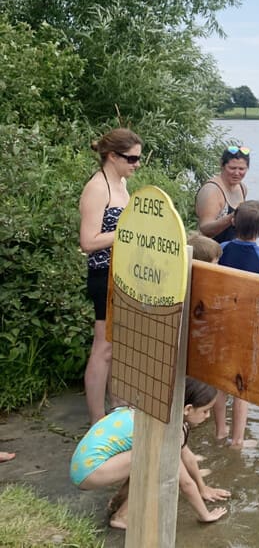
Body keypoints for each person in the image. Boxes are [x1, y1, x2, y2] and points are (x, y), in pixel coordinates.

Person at [69, 377, 230, 529]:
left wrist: (202, 488)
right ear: (188, 409)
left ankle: (118, 501)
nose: (208, 417)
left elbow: (186, 454)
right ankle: (122, 517)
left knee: (148, 453)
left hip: (83, 466)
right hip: (89, 472)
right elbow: (185, 483)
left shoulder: (160, 411)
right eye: (206, 411)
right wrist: (205, 515)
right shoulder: (165, 433)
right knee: (156, 459)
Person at [79, 127, 143, 425]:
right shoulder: (98, 187)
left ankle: (117, 406)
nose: (136, 164)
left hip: (123, 273)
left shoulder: (120, 183)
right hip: (104, 275)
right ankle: (95, 419)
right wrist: (126, 232)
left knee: (118, 345)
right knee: (103, 348)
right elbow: (88, 241)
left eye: (138, 159)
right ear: (112, 156)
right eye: (131, 159)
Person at [215, 200, 259, 447]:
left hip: (220, 322)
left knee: (219, 381)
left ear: (234, 221)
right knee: (242, 385)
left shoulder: (221, 248)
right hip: (247, 326)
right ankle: (237, 439)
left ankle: (219, 430)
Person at [196, 145, 250, 243]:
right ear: (222, 165)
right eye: (232, 168)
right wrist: (233, 216)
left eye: (241, 169)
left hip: (232, 250)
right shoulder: (211, 191)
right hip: (210, 253)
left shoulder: (242, 188)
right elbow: (205, 229)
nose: (237, 173)